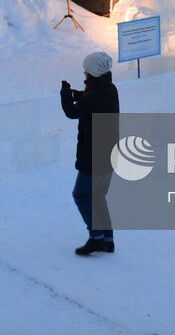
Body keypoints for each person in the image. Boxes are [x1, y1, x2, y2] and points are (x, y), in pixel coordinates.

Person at [61, 51, 119, 255]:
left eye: (86, 70)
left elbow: (73, 112)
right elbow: (89, 102)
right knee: (98, 196)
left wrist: (66, 95)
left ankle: (96, 237)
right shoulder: (109, 89)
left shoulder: (95, 95)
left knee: (81, 195)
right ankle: (108, 239)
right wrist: (78, 94)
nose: (84, 73)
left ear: (93, 72)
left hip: (94, 156)